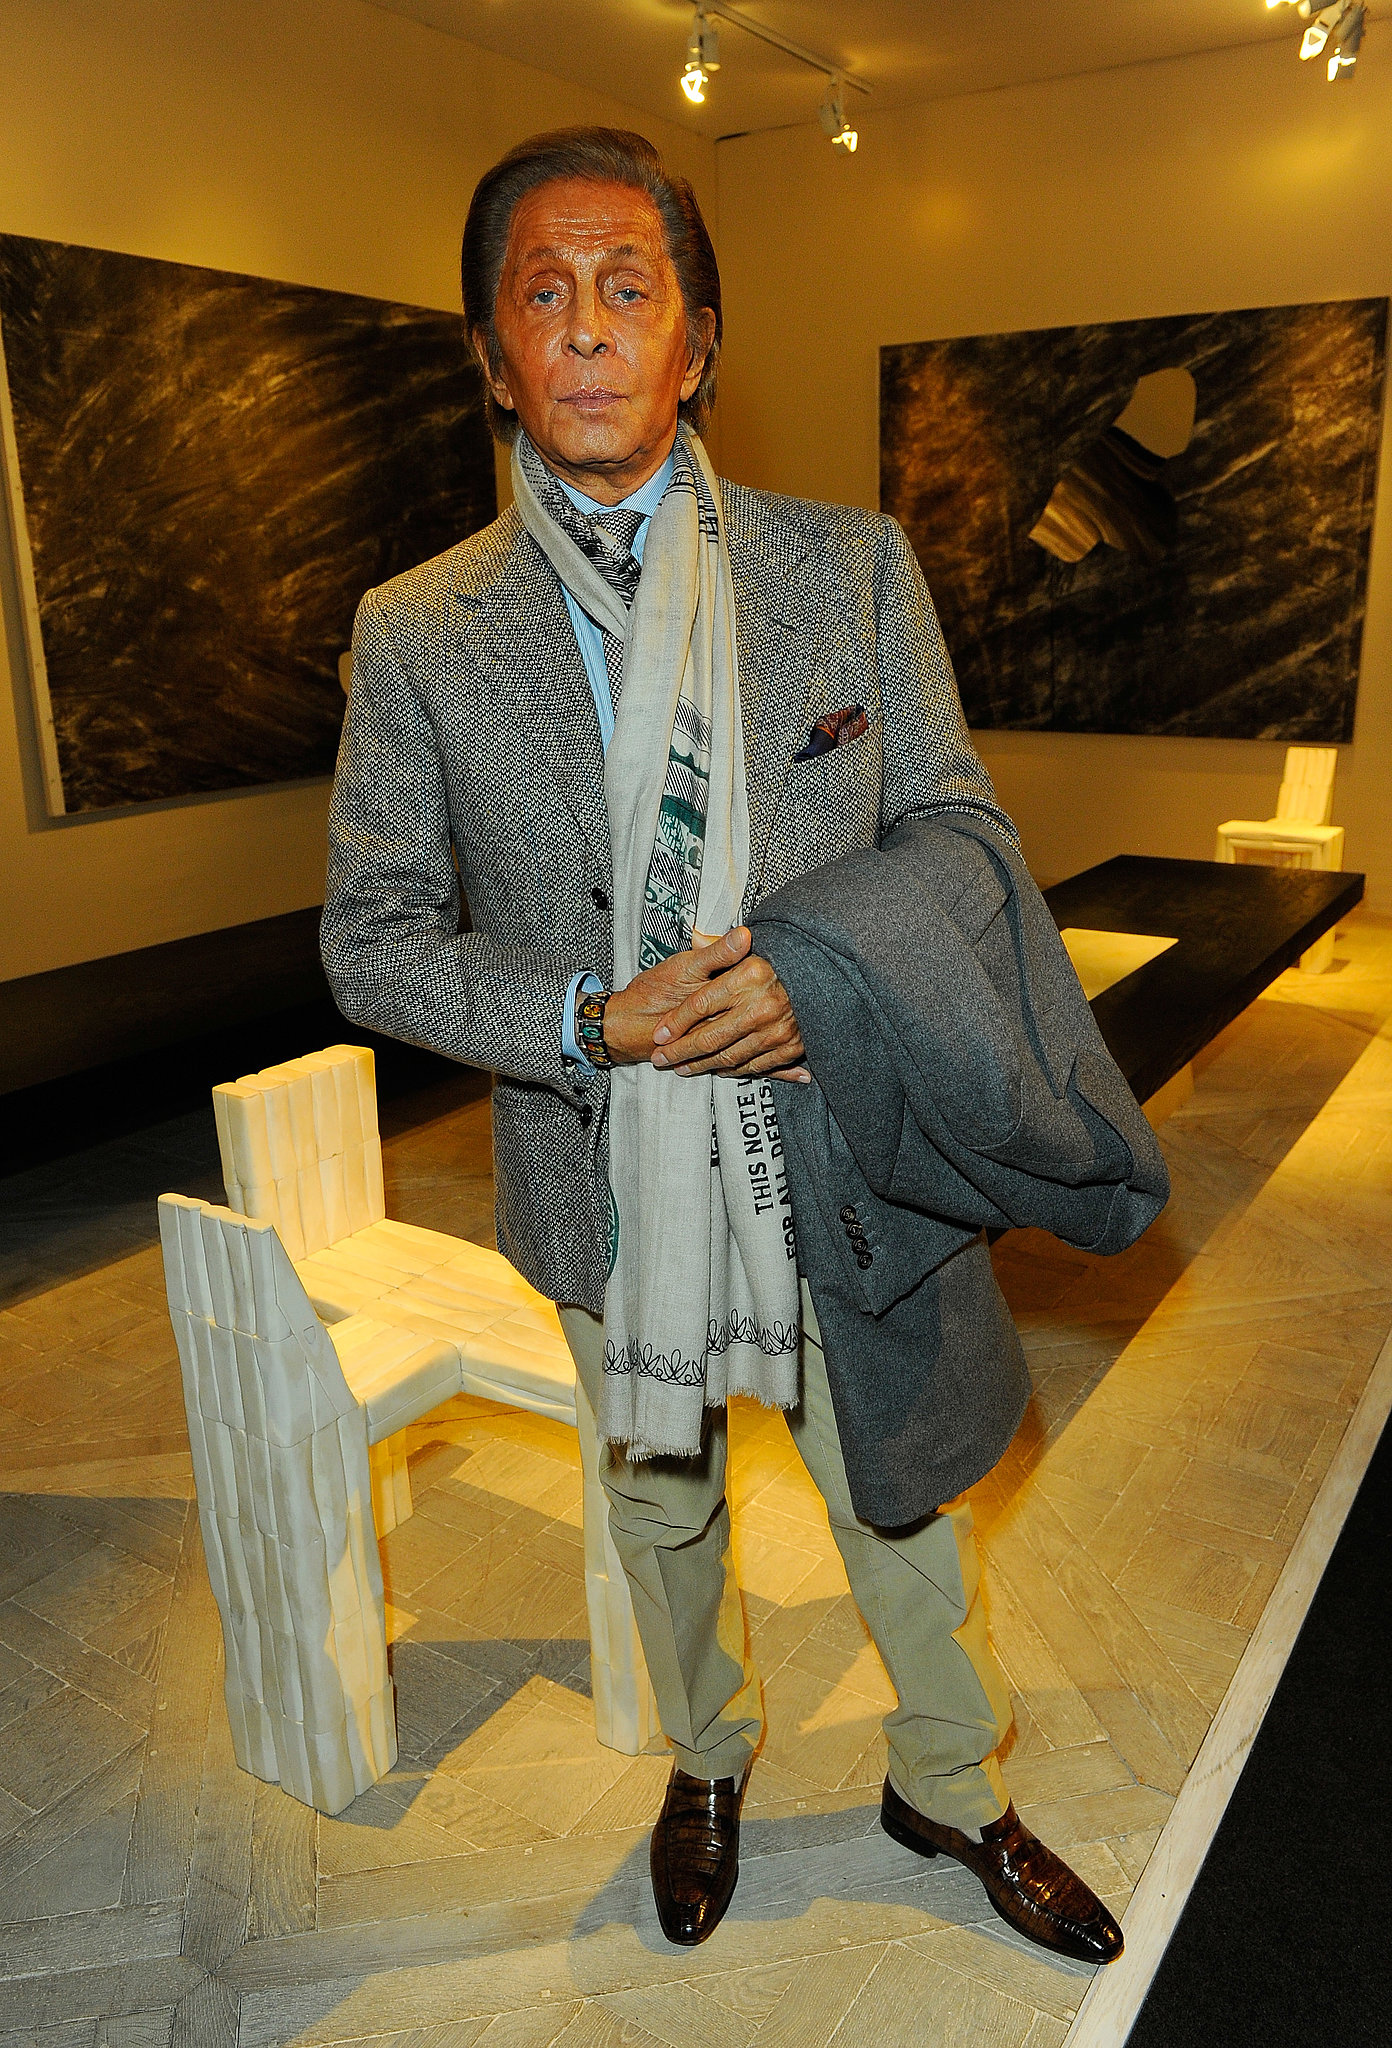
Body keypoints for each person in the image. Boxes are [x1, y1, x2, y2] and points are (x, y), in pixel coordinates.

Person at [322, 126, 1123, 1968]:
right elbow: (371, 938)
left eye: (630, 287)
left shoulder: (850, 570)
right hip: (604, 1175)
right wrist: (579, 1021)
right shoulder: (419, 632)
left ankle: (954, 1782)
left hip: (844, 1136)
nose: (589, 328)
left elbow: (960, 833)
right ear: (493, 356)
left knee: (900, 1488)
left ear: (698, 342)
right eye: (544, 294)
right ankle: (708, 1760)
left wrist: (821, 979)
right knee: (660, 1505)